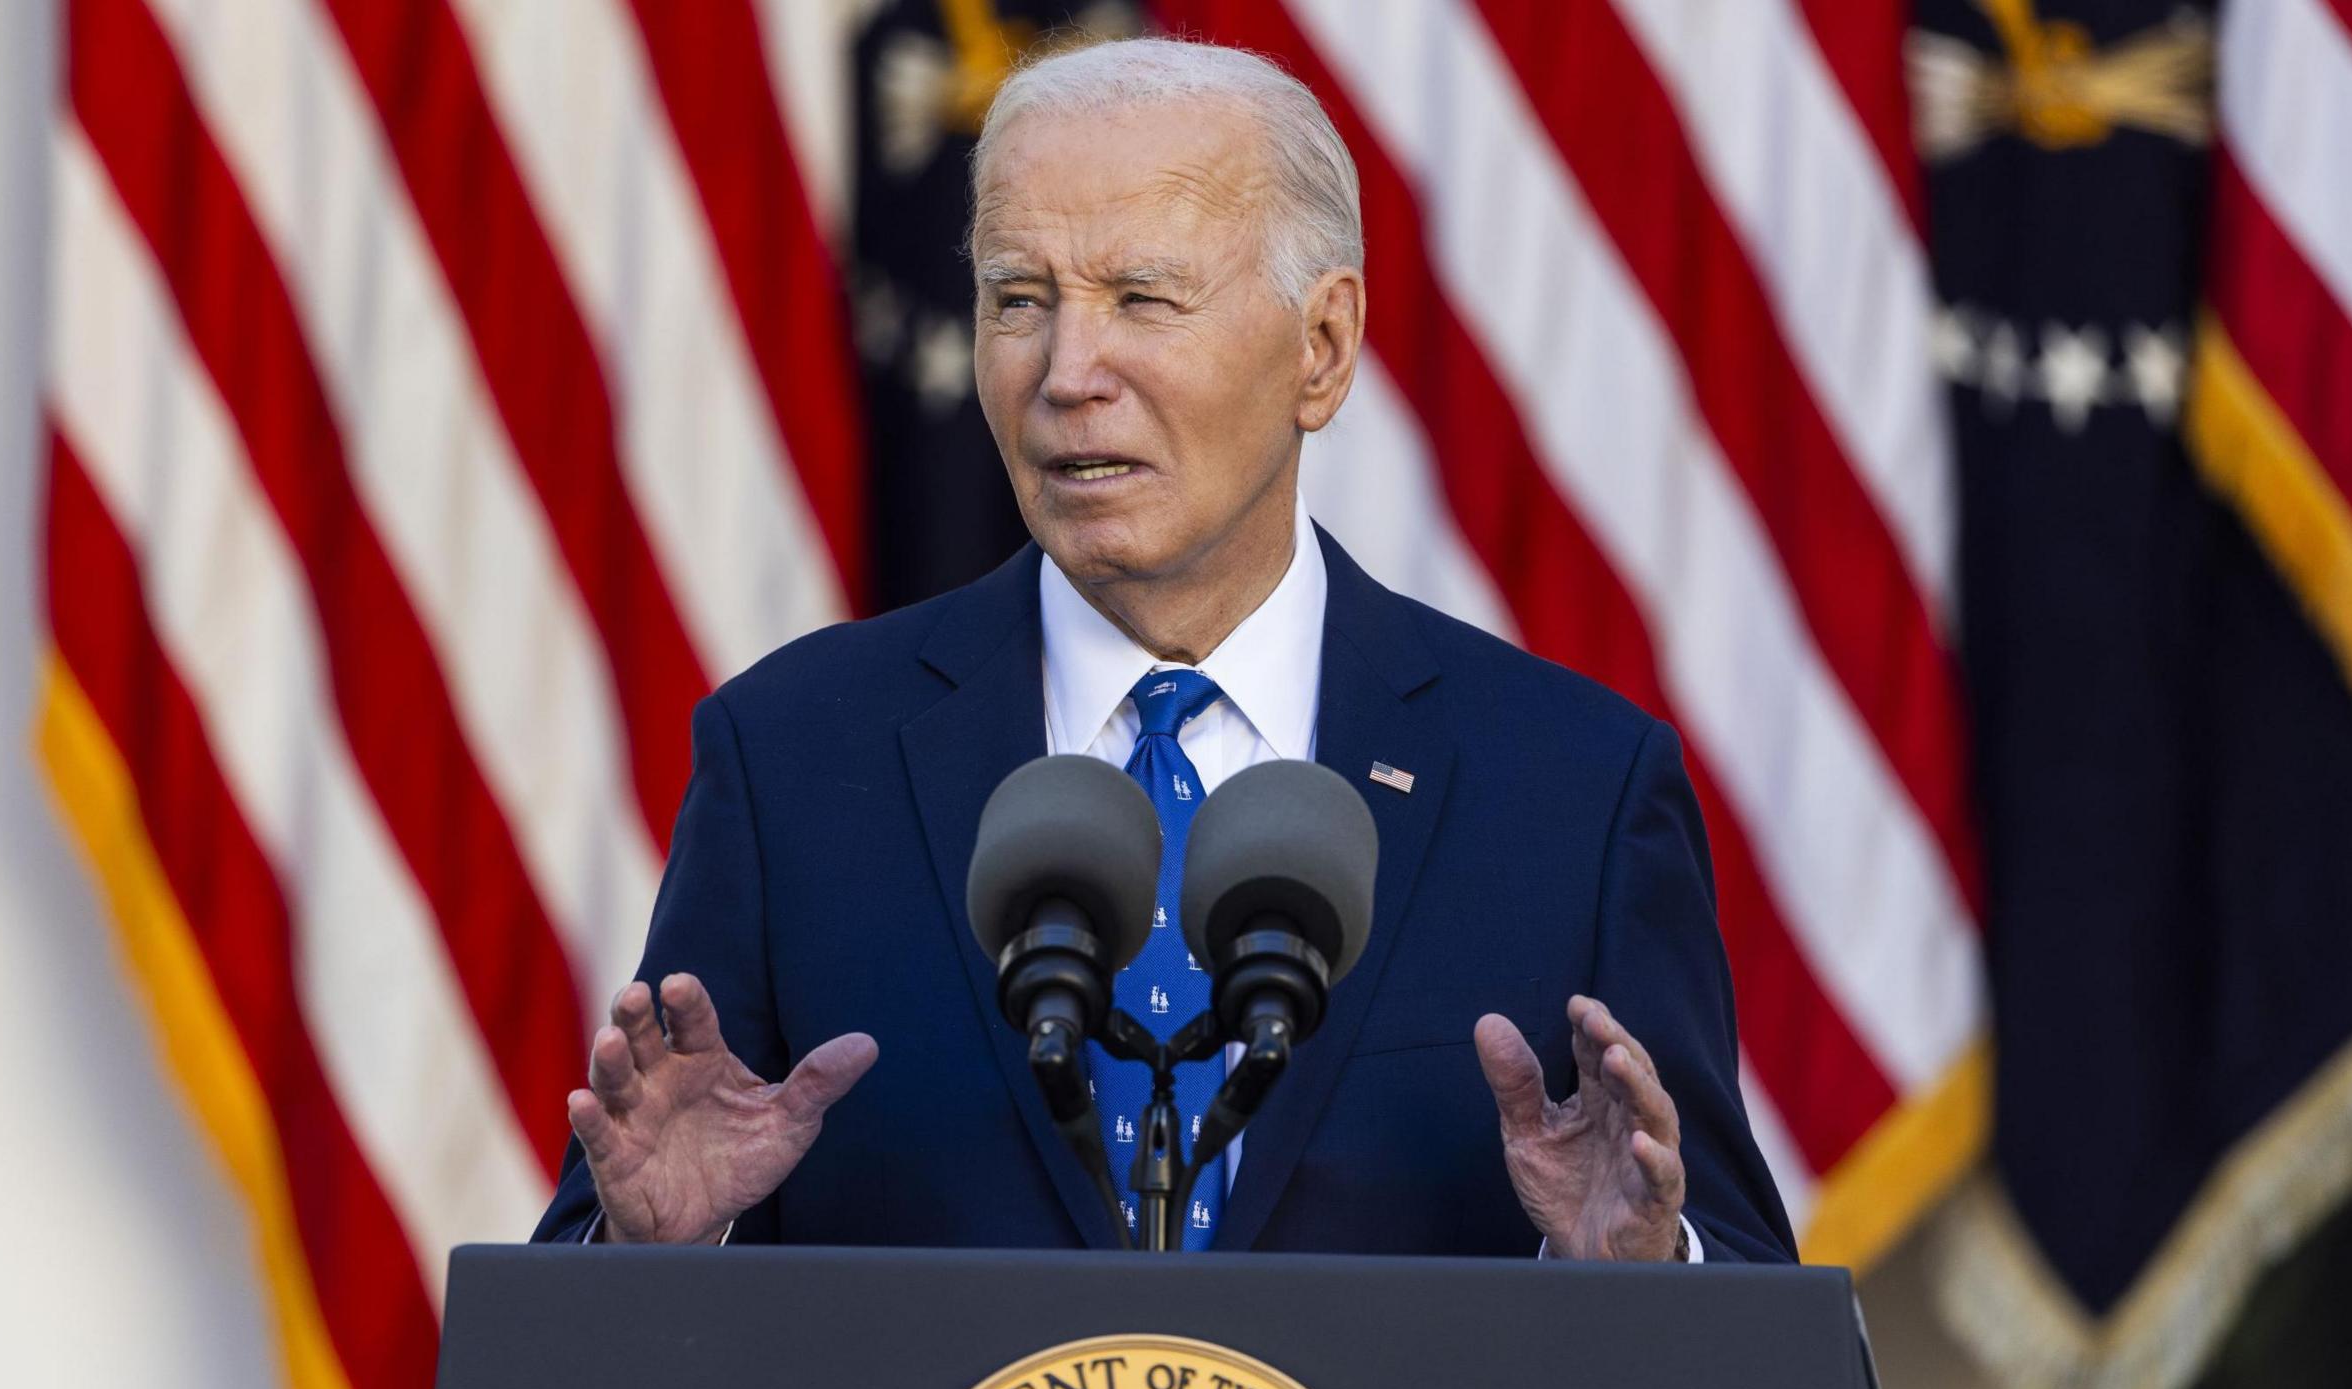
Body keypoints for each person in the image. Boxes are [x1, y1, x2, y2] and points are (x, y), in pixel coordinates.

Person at [533, 37, 1793, 1264]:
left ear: (1323, 346)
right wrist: (659, 1247)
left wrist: (1640, 1279)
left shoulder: (1570, 790)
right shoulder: (796, 759)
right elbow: (589, 1329)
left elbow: (1747, 1343)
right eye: (1018, 301)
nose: (1068, 372)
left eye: (1143, 298)